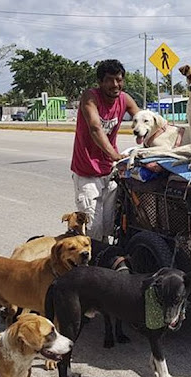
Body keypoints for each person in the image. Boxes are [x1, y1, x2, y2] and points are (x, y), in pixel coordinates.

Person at [70, 59, 140, 243]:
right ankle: (87, 268)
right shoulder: (90, 97)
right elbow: (95, 128)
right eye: (109, 80)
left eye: (119, 79)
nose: (115, 85)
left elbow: (143, 119)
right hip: (87, 172)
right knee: (92, 226)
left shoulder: (124, 99)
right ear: (100, 82)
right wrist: (115, 155)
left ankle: (103, 264)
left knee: (109, 226)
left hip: (110, 171)